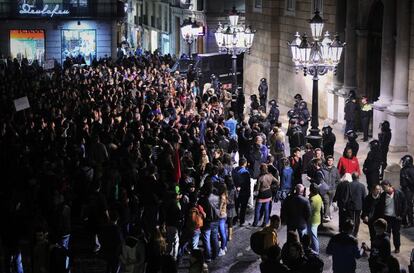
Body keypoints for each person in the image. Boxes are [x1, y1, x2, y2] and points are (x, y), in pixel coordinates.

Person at [377, 180, 407, 253]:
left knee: (396, 233)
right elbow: (380, 206)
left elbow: (405, 205)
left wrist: (402, 216)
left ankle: (397, 247)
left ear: (389, 185)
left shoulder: (399, 193)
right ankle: (387, 248)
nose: (383, 189)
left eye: (384, 187)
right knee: (387, 234)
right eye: (382, 188)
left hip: (396, 218)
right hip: (386, 217)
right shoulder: (383, 195)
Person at [233, 157, 251, 226]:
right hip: (244, 192)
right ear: (245, 164)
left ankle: (235, 220)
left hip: (236, 192)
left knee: (236, 206)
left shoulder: (234, 170)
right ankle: (242, 221)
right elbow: (247, 184)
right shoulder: (246, 172)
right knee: (243, 208)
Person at [321, 156, 340, 221]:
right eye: (329, 160)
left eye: (331, 160)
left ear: (333, 161)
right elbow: (321, 179)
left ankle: (328, 214)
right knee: (326, 202)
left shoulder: (335, 170)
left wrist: (335, 186)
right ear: (327, 161)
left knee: (329, 203)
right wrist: (324, 186)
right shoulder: (323, 169)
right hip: (325, 190)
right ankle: (326, 216)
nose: (330, 162)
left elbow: (338, 180)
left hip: (332, 190)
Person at [347, 173, 367, 237]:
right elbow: (364, 197)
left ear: (352, 178)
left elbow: (347, 196)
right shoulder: (362, 186)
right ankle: (355, 233)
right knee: (357, 220)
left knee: (351, 219)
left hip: (350, 205)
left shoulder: (348, 185)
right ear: (358, 178)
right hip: (359, 205)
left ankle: (350, 231)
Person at [400, 154, 414, 228]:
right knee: (403, 205)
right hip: (403, 189)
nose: (403, 162)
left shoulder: (411, 170)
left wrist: (407, 178)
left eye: (404, 161)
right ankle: (404, 221)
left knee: (409, 206)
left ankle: (411, 222)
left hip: (409, 190)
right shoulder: (403, 169)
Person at [308, 183, 322, 254]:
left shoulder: (312, 199)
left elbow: (309, 210)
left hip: (313, 220)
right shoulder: (318, 196)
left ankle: (316, 251)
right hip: (317, 218)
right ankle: (314, 249)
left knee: (314, 237)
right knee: (313, 235)